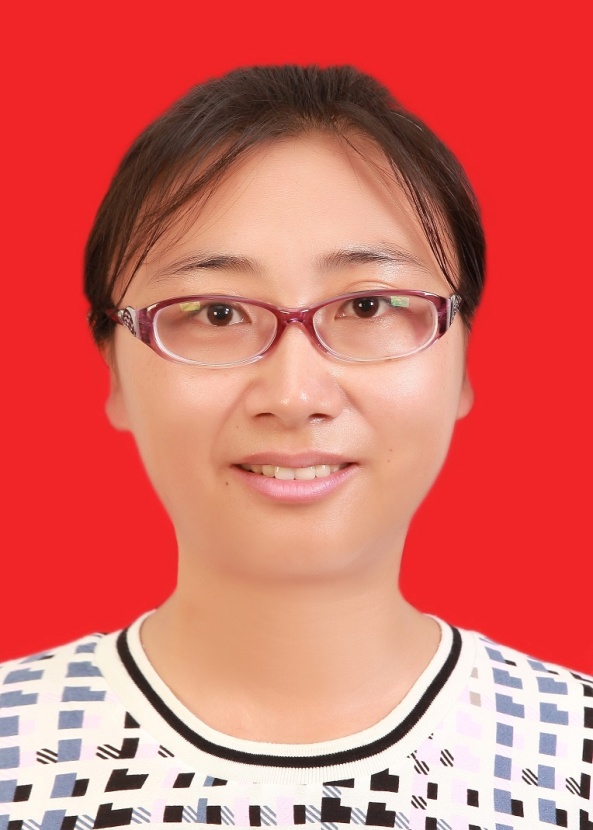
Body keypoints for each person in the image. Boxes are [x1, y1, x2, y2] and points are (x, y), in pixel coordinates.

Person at [0, 65, 590, 830]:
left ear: (464, 360)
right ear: (113, 368)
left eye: (368, 305)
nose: (293, 394)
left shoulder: (572, 755)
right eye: (215, 313)